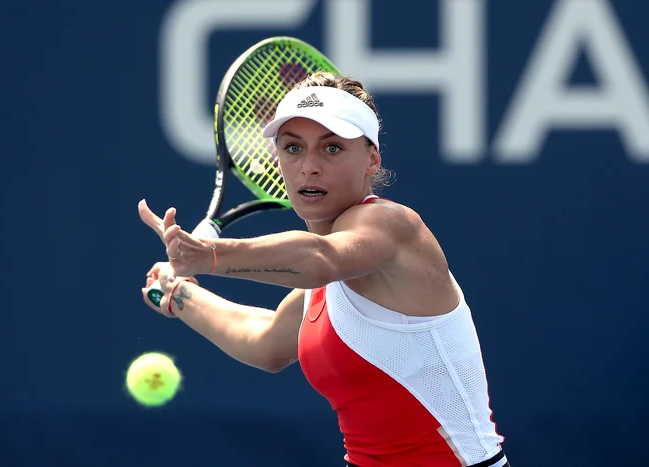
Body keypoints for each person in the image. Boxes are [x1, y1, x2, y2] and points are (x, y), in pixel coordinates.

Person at [138, 72, 510, 467]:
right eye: (293, 148)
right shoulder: (324, 282)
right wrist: (181, 296)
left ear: (372, 159)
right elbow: (265, 342)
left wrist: (210, 255)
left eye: (331, 149)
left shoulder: (390, 226)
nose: (309, 166)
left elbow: (318, 258)